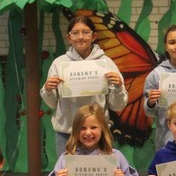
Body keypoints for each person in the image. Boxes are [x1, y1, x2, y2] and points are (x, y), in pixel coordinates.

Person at [41, 15, 128, 154]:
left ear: (94, 36)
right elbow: (52, 104)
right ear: (69, 38)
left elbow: (117, 105)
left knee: (100, 174)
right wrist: (48, 89)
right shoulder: (59, 64)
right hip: (67, 134)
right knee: (67, 175)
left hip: (97, 134)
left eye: (86, 32)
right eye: (75, 33)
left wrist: (118, 87)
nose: (80, 37)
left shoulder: (106, 63)